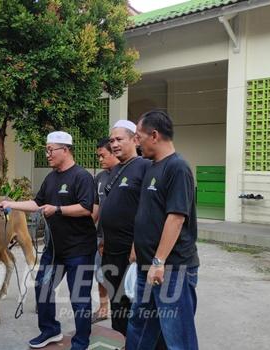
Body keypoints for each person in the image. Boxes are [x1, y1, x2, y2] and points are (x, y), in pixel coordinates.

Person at [0, 131, 97, 350]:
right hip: (55, 250)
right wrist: (10, 203)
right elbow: (37, 203)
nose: (47, 154)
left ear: (65, 149)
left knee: (79, 298)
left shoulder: (81, 177)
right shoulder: (51, 178)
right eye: (46, 150)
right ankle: (50, 330)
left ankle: (81, 341)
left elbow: (86, 208)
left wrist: (58, 209)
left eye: (50, 150)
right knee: (42, 287)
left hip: (79, 249)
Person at [126, 110, 200, 350]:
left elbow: (176, 218)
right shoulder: (150, 167)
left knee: (177, 337)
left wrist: (159, 261)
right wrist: (138, 248)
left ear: (154, 135)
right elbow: (148, 212)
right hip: (147, 266)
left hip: (171, 268)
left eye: (138, 136)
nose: (136, 142)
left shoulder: (178, 168)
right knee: (140, 326)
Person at [99, 120, 150, 338]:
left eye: (120, 139)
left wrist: (136, 246)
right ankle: (121, 340)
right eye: (112, 140)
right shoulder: (115, 169)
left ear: (134, 140)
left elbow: (148, 211)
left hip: (131, 252)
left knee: (134, 306)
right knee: (116, 303)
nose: (115, 144)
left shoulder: (146, 167)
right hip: (110, 249)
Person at [91, 137, 120, 323]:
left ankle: (121, 311)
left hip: (119, 239)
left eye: (102, 156)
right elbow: (95, 208)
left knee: (119, 276)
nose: (100, 160)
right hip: (100, 236)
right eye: (98, 156)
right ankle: (103, 308)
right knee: (99, 273)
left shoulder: (125, 175)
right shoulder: (99, 178)